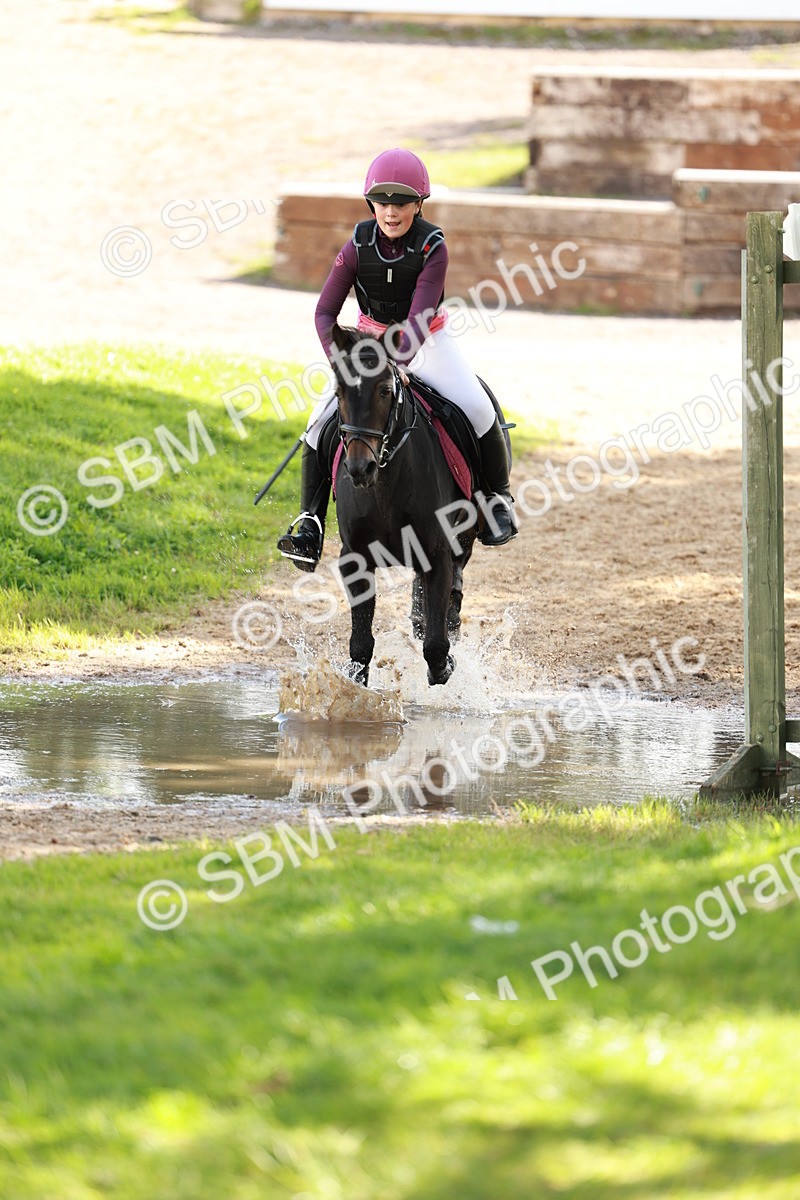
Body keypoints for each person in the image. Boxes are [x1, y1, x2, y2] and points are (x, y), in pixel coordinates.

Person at [277, 146, 517, 571]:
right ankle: (310, 522)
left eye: (402, 202)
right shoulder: (357, 245)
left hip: (426, 342)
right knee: (316, 425)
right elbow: (324, 313)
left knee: (479, 408)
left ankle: (496, 498)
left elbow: (420, 317)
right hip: (367, 346)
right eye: (382, 202)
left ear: (418, 204)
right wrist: (343, 363)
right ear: (371, 203)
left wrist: (397, 363)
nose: (391, 212)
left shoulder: (432, 246)